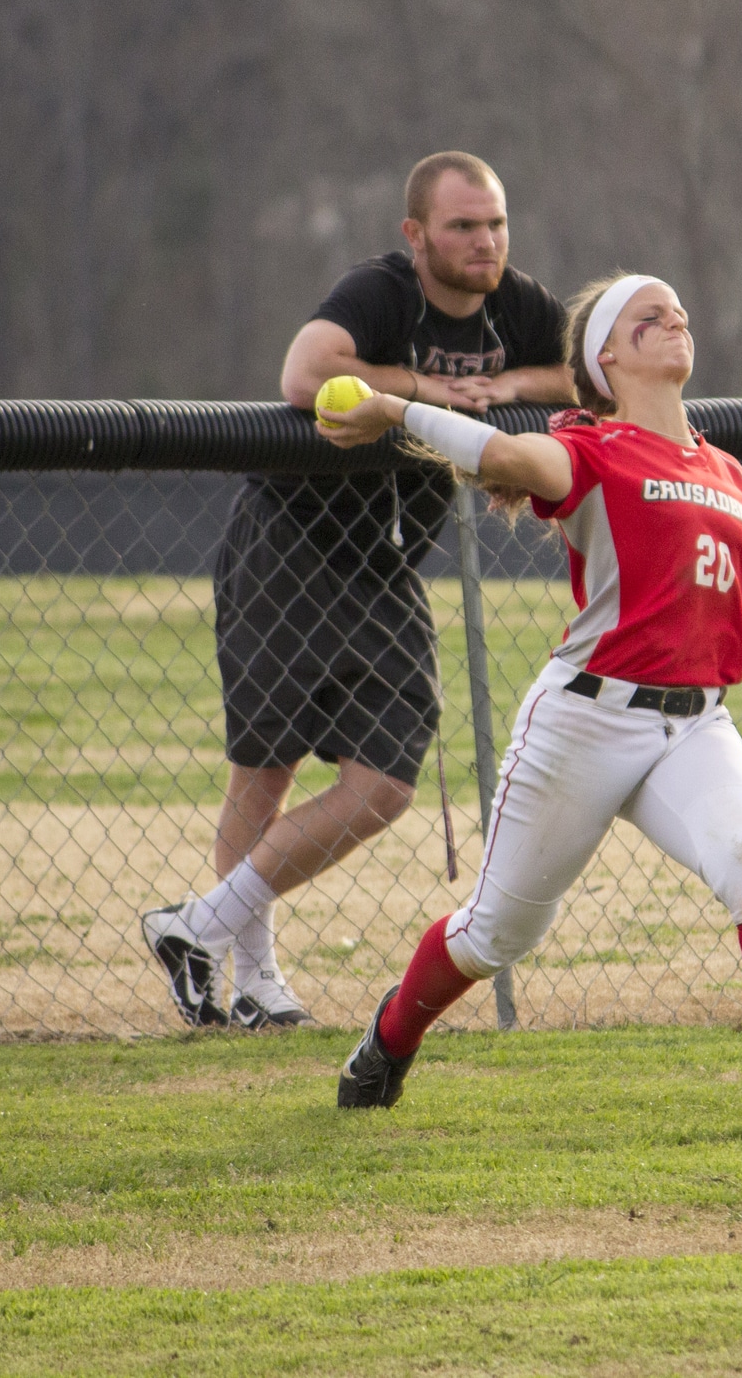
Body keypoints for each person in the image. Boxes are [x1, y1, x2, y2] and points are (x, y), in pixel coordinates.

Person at [319, 272, 742, 1128]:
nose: (675, 320)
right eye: (648, 317)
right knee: (494, 935)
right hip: (584, 719)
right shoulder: (592, 447)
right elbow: (506, 458)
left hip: (695, 720)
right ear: (608, 358)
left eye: (678, 310)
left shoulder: (725, 470)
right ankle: (390, 1038)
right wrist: (393, 410)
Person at [142, 152, 577, 1030]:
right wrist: (422, 389)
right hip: (291, 542)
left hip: (385, 564)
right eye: (462, 226)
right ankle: (252, 980)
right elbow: (305, 373)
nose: (484, 240)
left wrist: (506, 387)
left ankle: (195, 927)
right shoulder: (378, 291)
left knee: (384, 782)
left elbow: (582, 378)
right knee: (264, 774)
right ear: (416, 235)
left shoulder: (517, 304)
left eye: (494, 223)